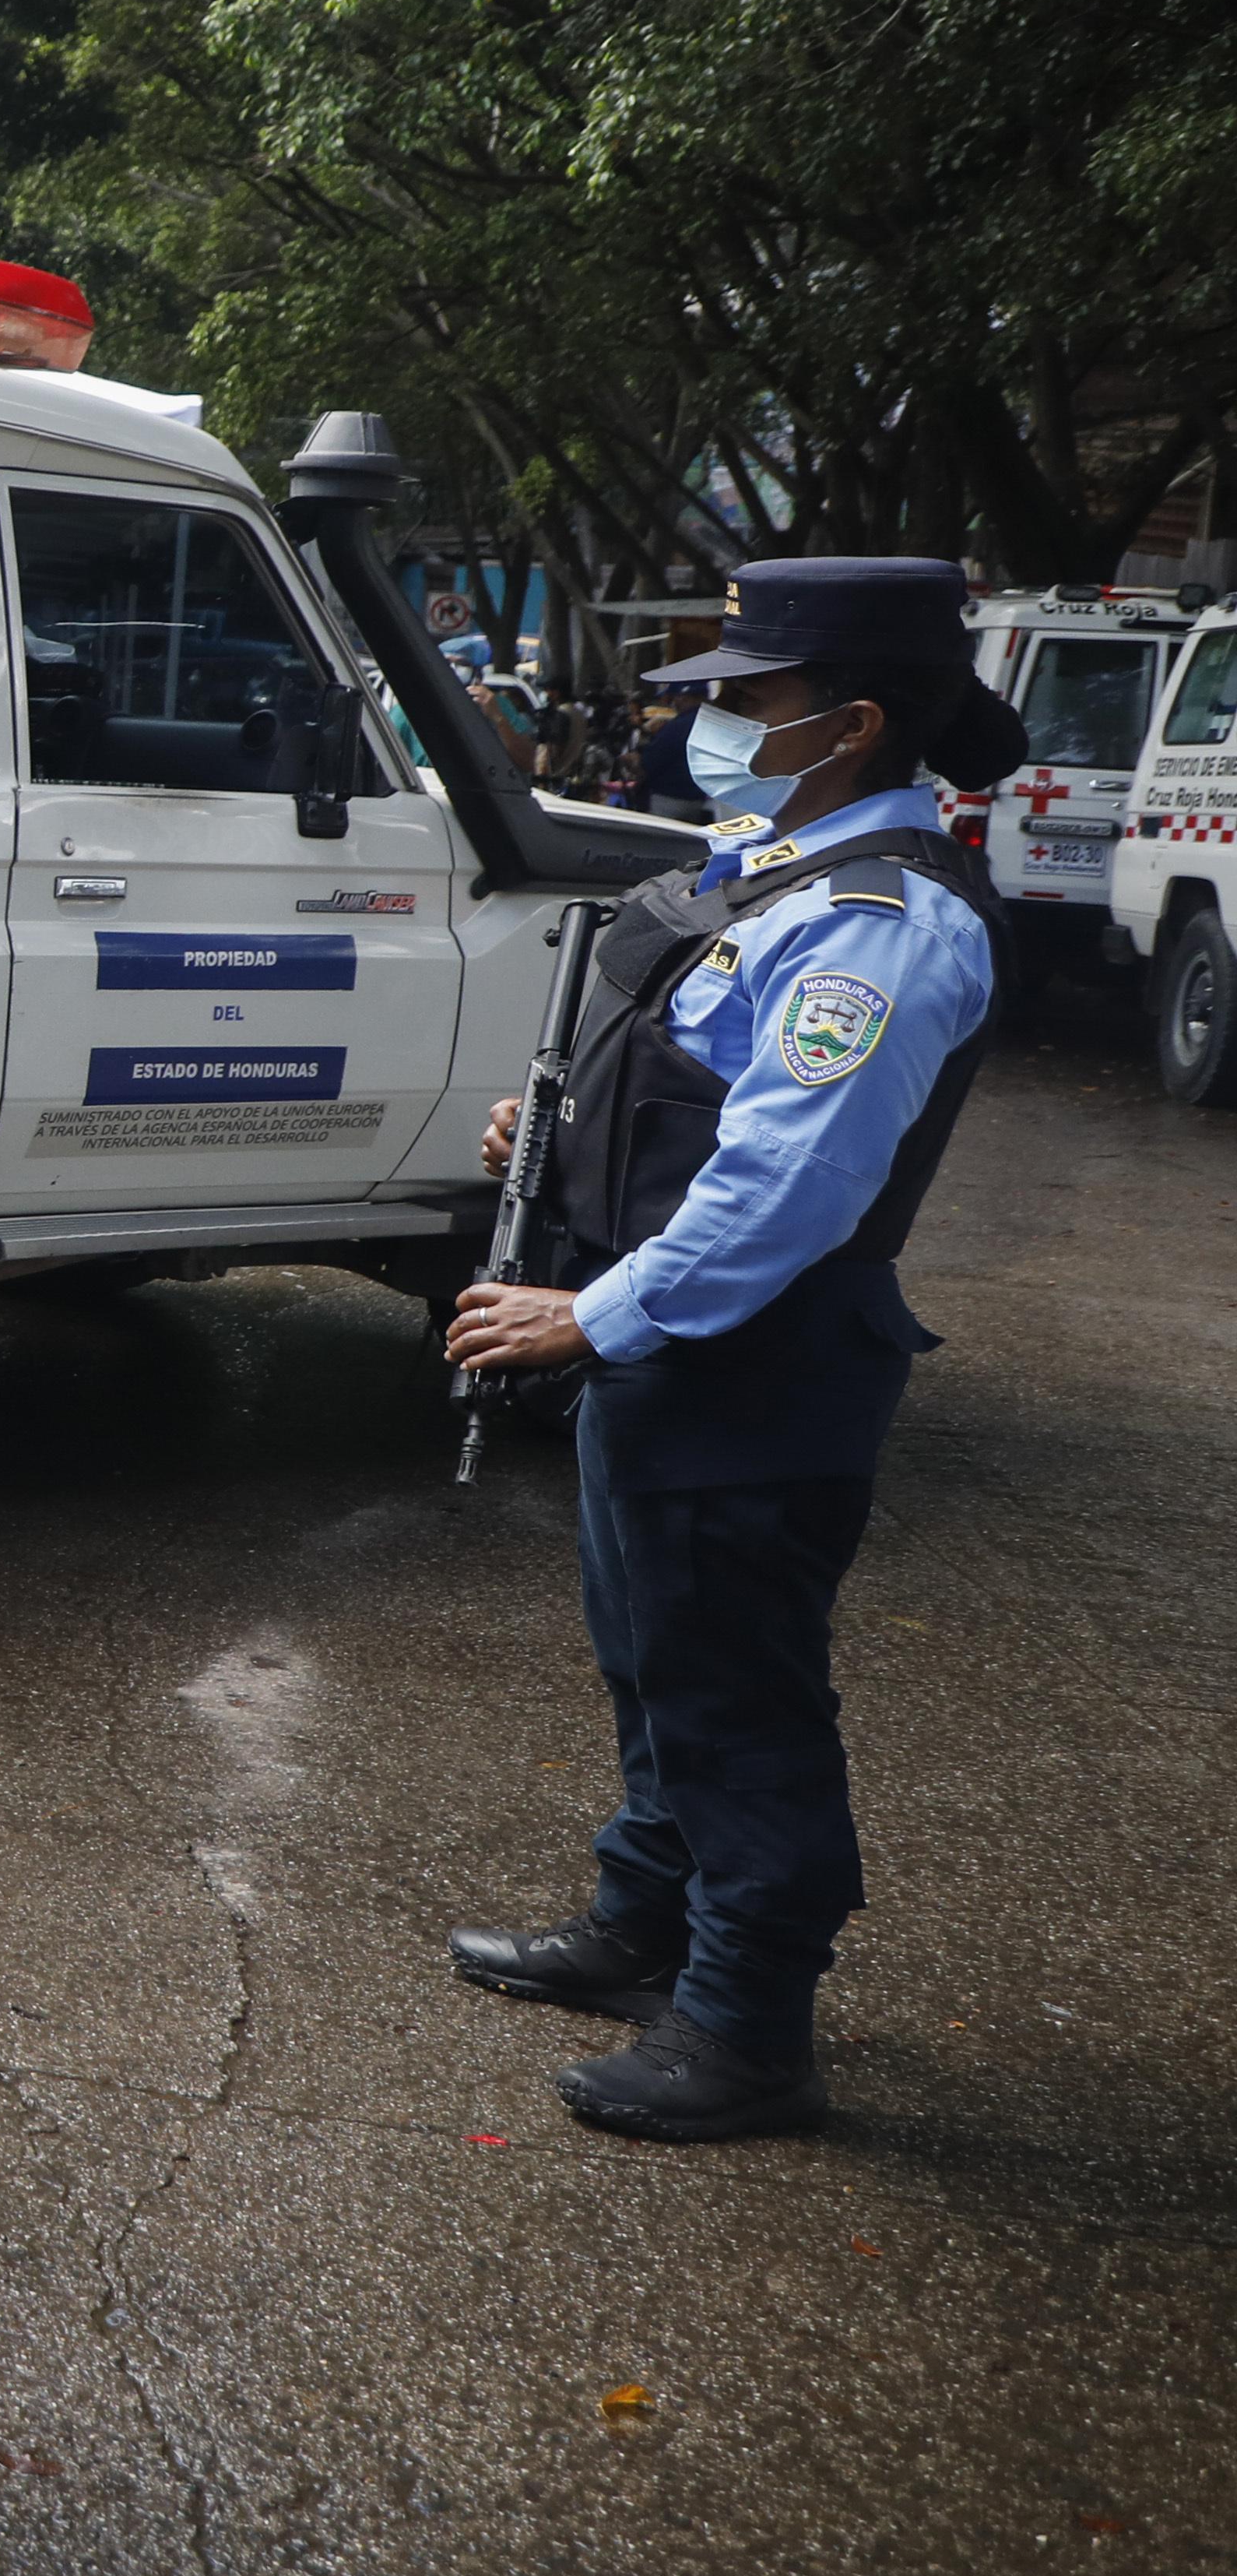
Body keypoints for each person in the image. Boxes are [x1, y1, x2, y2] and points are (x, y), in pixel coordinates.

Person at [441, 558, 1024, 2144]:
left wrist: (588, 1310)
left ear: (852, 721)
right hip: (682, 1355)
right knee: (654, 1663)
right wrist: (549, 1148)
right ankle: (645, 1927)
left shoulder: (875, 922)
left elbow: (788, 1183)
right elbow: (693, 1092)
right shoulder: (770, 867)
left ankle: (751, 2023)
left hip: (756, 1369)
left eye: (745, 696)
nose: (705, 715)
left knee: (740, 1700)